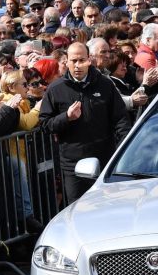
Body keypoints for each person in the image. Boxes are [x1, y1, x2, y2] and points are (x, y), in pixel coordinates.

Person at [38, 42, 131, 204]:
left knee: (108, 205)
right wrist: (66, 117)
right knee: (78, 208)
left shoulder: (105, 84)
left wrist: (123, 150)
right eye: (73, 61)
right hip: (73, 164)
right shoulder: (55, 89)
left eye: (81, 60)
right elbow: (45, 124)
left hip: (105, 159)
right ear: (66, 61)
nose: (77, 65)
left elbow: (121, 119)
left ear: (89, 60)